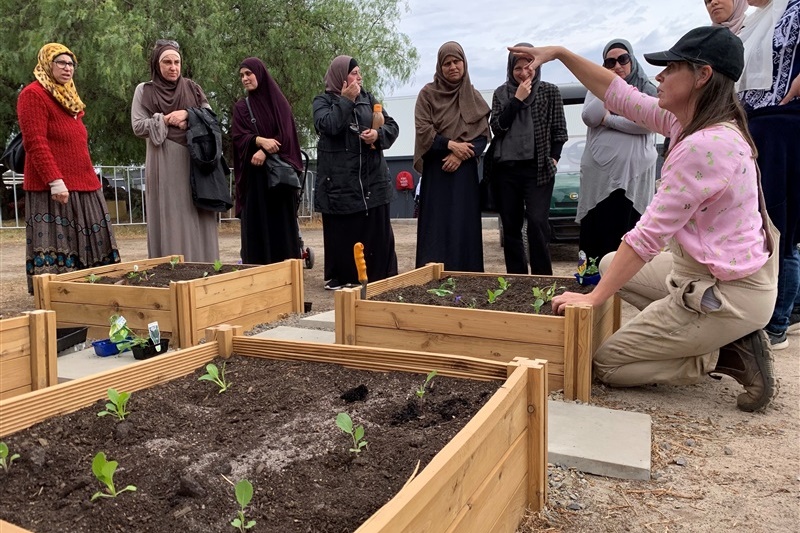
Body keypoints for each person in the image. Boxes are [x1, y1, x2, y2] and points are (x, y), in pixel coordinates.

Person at [510, 25, 779, 412]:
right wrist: (561, 53)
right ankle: (711, 334)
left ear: (702, 76)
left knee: (607, 363)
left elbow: (644, 238)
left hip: (730, 292)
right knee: (606, 264)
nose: (658, 76)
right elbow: (619, 93)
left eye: (671, 67)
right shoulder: (688, 122)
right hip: (707, 271)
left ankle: (721, 353)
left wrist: (592, 299)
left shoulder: (705, 147)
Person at [17, 43, 120, 293]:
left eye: (71, 63)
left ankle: (92, 294)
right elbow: (35, 142)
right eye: (61, 63)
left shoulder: (70, 98)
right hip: (54, 188)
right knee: (58, 250)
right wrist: (55, 180)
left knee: (95, 244)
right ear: (46, 64)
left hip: (85, 182)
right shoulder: (33, 94)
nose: (67, 68)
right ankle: (59, 300)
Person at [736, 0, 800, 350]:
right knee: (757, 226)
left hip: (786, 126)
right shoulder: (755, 21)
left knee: (781, 231)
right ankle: (759, 321)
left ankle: (776, 326)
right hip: (755, 128)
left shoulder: (794, 7)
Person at [312, 55, 399, 289]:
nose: (359, 77)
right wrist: (346, 100)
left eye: (360, 72)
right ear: (341, 76)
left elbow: (392, 127)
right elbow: (329, 126)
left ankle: (380, 277)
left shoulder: (368, 99)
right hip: (340, 183)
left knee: (376, 234)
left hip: (372, 181)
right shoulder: (322, 101)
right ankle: (345, 277)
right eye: (354, 73)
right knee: (344, 234)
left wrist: (377, 136)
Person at [131, 39, 219, 262]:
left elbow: (211, 118)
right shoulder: (145, 91)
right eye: (167, 62)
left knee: (198, 213)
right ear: (156, 65)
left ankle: (204, 265)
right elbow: (138, 125)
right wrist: (165, 119)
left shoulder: (193, 88)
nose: (173, 67)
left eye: (177, 62)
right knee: (172, 214)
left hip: (196, 161)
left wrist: (188, 115)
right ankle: (172, 267)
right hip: (164, 161)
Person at [489, 43, 567, 275]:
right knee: (511, 228)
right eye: (517, 68)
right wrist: (517, 100)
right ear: (510, 69)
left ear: (537, 65)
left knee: (537, 223)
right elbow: (497, 127)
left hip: (539, 170)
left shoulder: (550, 91)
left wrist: (554, 158)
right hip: (506, 170)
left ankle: (543, 280)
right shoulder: (501, 93)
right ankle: (517, 279)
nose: (523, 72)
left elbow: (559, 130)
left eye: (528, 66)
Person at [577, 39, 658, 262]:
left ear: (632, 60)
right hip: (601, 179)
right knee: (600, 239)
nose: (617, 65)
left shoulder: (647, 89)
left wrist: (610, 119)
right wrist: (610, 87)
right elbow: (590, 117)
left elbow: (647, 123)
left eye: (623, 59)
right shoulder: (596, 87)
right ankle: (594, 289)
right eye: (610, 62)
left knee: (629, 238)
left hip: (634, 180)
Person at [414, 42, 490, 272]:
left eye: (457, 61)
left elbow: (482, 137)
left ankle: (467, 274)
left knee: (463, 224)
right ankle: (431, 273)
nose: (452, 67)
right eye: (447, 63)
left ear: (464, 64)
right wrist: (450, 145)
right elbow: (423, 129)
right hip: (437, 171)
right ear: (440, 66)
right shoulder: (428, 94)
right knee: (436, 225)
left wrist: (460, 155)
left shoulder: (473, 96)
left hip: (464, 174)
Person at [232, 57, 303, 265]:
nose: (245, 79)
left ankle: (286, 279)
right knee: (256, 231)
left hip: (278, 183)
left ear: (260, 74)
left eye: (248, 74)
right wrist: (258, 140)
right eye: (242, 75)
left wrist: (265, 151)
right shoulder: (241, 108)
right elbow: (238, 137)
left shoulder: (278, 103)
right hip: (255, 181)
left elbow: (287, 134)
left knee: (281, 230)